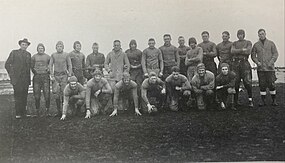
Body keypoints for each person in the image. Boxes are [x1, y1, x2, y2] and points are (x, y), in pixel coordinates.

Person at [251, 29, 279, 106]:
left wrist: (271, 62)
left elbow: (275, 54)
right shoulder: (256, 45)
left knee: (271, 84)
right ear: (258, 35)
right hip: (261, 69)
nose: (261, 35)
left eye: (262, 34)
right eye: (260, 34)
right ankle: (263, 101)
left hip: (270, 69)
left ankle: (274, 100)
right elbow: (253, 56)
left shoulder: (271, 43)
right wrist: (257, 62)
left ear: (265, 34)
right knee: (262, 85)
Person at [5, 38, 32, 119]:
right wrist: (12, 76)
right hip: (17, 79)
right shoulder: (14, 53)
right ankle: (18, 113)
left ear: (27, 46)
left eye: (26, 45)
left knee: (24, 96)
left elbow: (30, 66)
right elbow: (7, 65)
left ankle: (24, 113)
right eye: (23, 44)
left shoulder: (28, 54)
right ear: (20, 45)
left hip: (25, 80)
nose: (24, 46)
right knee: (18, 96)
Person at [49, 41, 73, 117]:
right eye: (58, 46)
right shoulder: (53, 55)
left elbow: (69, 65)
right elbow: (50, 65)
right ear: (56, 47)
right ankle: (58, 111)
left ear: (63, 47)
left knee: (64, 93)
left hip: (64, 76)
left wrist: (69, 75)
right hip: (56, 76)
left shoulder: (66, 55)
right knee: (56, 94)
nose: (59, 48)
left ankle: (64, 111)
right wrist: (52, 75)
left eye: (61, 46)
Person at [231, 29, 253, 108]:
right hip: (236, 64)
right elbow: (232, 51)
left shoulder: (248, 42)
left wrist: (239, 51)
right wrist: (242, 50)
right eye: (239, 34)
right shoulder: (234, 43)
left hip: (245, 63)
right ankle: (236, 101)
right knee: (236, 82)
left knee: (247, 82)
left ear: (244, 35)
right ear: (237, 35)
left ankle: (250, 100)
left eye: (241, 34)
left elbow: (248, 51)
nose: (240, 36)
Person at [31, 43, 51, 116]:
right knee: (37, 94)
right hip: (37, 77)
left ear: (44, 49)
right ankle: (37, 110)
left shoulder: (48, 57)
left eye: (42, 48)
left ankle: (47, 110)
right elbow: (31, 66)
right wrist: (35, 72)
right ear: (37, 49)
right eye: (39, 48)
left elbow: (51, 65)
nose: (41, 50)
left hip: (45, 77)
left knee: (47, 94)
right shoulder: (34, 57)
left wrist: (48, 71)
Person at [125, 40, 143, 108]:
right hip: (130, 71)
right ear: (129, 45)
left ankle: (139, 103)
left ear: (136, 45)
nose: (133, 46)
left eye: (134, 44)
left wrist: (137, 66)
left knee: (138, 86)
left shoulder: (139, 52)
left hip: (138, 71)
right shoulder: (127, 52)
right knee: (130, 86)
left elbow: (142, 62)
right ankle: (130, 103)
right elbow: (125, 61)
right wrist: (129, 66)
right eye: (131, 44)